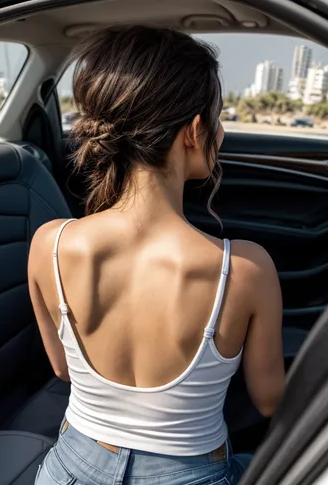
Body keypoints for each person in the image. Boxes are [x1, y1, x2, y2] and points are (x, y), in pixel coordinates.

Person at [28, 25, 285, 485]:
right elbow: (270, 402)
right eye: (218, 119)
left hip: (70, 467)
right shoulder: (245, 269)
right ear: (194, 131)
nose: (221, 134)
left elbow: (63, 368)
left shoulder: (50, 244)